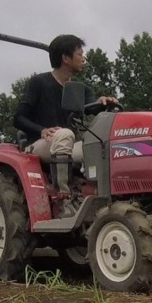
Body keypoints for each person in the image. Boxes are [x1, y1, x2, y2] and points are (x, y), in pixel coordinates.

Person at [15, 34, 118, 193]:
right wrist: (42, 130)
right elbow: (18, 118)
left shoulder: (81, 89)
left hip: (68, 144)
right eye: (80, 54)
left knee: (102, 146)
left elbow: (91, 108)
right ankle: (64, 194)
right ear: (65, 58)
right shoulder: (39, 83)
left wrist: (104, 102)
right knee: (65, 134)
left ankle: (104, 194)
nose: (83, 59)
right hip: (39, 143)